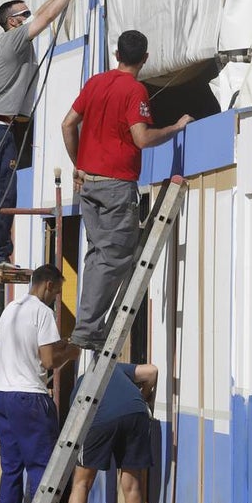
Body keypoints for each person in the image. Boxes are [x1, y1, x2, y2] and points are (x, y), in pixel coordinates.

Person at [60, 29, 192, 349]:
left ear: (117, 54)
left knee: (97, 254)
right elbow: (141, 138)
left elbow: (67, 124)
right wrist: (175, 128)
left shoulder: (95, 83)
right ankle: (88, 329)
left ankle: (87, 324)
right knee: (115, 257)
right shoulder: (134, 91)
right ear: (144, 59)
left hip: (89, 185)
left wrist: (78, 164)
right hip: (115, 185)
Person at [0, 0, 97, 269]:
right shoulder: (12, 41)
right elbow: (44, 19)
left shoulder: (15, 40)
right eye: (22, 14)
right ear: (12, 22)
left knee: (6, 191)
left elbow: (41, 13)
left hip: (4, 128)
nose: (29, 17)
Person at [0, 263, 82, 503]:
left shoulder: (11, 309)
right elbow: (47, 361)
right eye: (57, 291)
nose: (56, 297)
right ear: (48, 285)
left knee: (11, 468)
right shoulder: (42, 313)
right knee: (43, 467)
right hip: (29, 398)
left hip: (2, 396)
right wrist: (72, 350)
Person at [51, 361, 158, 503]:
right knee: (132, 484)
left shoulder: (82, 384)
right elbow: (152, 371)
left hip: (100, 420)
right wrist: (144, 395)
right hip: (136, 414)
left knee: (82, 483)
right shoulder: (116, 368)